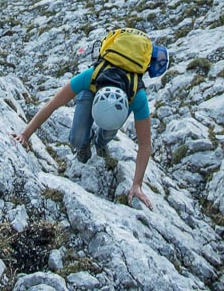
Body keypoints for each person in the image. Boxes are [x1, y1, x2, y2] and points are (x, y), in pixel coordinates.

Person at [12, 40, 170, 210]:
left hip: (121, 101)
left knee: (108, 134)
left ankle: (101, 142)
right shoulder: (90, 76)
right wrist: (25, 134)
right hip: (91, 91)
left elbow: (145, 144)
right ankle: (85, 144)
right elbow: (52, 104)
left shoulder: (137, 96)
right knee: (77, 139)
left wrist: (137, 184)